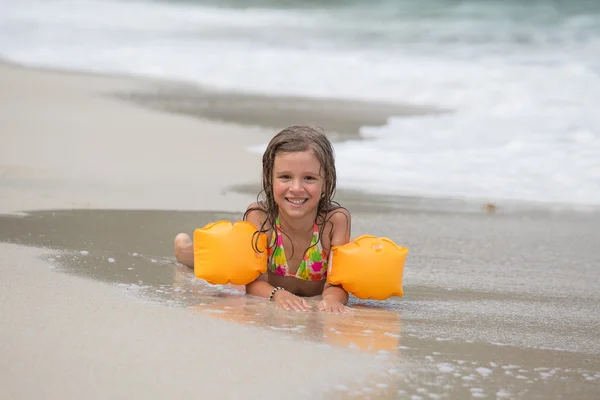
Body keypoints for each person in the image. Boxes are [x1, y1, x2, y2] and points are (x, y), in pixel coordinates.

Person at [174, 126, 352, 313]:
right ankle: (182, 247)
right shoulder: (261, 217)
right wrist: (278, 294)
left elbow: (337, 282)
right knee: (209, 257)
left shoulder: (334, 221)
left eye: (309, 178)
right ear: (269, 178)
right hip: (232, 256)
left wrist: (332, 299)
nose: (297, 188)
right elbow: (253, 282)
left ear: (326, 181)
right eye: (285, 177)